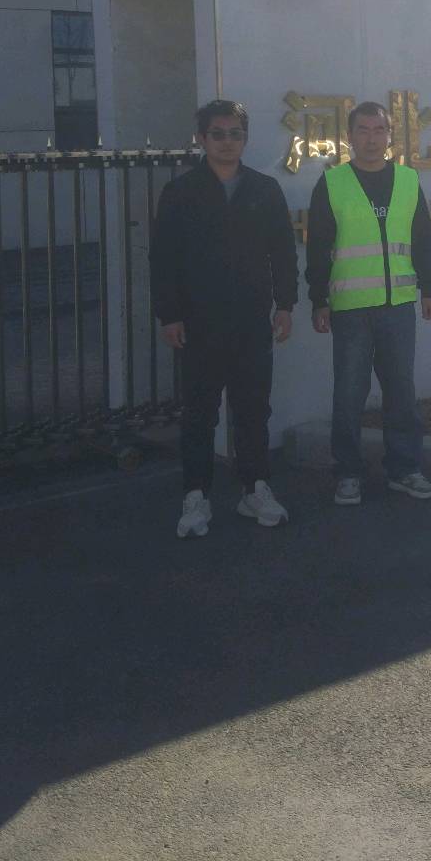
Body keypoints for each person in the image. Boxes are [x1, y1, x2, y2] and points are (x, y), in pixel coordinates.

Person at [151, 99, 297, 537]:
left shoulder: (264, 190)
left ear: (245, 139)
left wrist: (285, 304)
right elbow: (163, 259)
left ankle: (255, 488)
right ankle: (196, 496)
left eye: (235, 134)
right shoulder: (181, 192)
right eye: (218, 134)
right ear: (201, 138)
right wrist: (169, 314)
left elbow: (283, 253)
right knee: (199, 414)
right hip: (199, 323)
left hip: (252, 320)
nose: (227, 142)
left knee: (253, 409)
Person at [307, 101, 431, 505]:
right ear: (350, 136)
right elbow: (318, 247)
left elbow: (422, 239)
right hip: (350, 308)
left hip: (398, 305)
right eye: (363, 130)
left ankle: (405, 468)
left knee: (401, 391)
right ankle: (348, 472)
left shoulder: (408, 180)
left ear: (389, 135)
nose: (371, 138)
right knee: (349, 394)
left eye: (379, 130)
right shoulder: (332, 183)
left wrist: (429, 289)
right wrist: (318, 299)